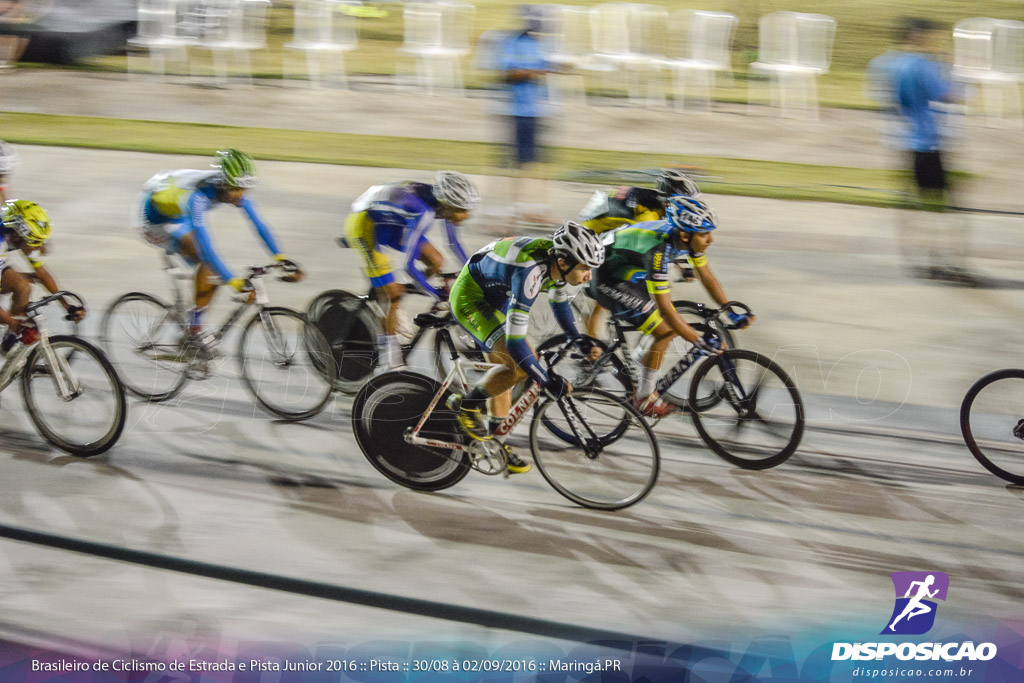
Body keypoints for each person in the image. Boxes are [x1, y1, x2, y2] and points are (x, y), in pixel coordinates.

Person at [447, 221, 605, 474]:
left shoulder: (559, 263)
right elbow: (515, 342)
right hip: (470, 299)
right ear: (564, 262)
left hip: (495, 294)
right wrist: (545, 381)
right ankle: (464, 405)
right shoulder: (530, 272)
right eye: (586, 268)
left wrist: (577, 338)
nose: (589, 276)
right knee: (519, 369)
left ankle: (495, 442)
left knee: (508, 372)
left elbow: (560, 304)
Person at [587, 196, 753, 417]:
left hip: (628, 269)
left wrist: (730, 311)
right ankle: (644, 399)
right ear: (685, 234)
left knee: (667, 325)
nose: (710, 240)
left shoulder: (686, 239)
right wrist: (697, 339)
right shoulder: (658, 250)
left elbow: (707, 277)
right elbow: (666, 309)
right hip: (607, 276)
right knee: (665, 330)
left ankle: (641, 361)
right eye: (705, 234)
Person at [134, 149, 301, 352]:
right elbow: (206, 250)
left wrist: (280, 257)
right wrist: (234, 282)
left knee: (212, 271)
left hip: (175, 213)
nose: (242, 194)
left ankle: (193, 320)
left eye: (245, 188)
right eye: (237, 189)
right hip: (153, 220)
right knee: (209, 266)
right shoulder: (197, 198)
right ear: (223, 183)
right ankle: (194, 330)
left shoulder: (231, 188)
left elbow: (259, 225)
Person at [867, 18, 969, 284]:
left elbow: (879, 96)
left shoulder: (883, 63)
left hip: (899, 141)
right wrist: (951, 70)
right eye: (929, 35)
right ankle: (939, 260)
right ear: (917, 36)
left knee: (912, 201)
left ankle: (916, 258)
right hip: (927, 143)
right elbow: (952, 94)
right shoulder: (923, 66)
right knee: (943, 205)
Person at [342, 171, 479, 369]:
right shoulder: (424, 212)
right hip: (362, 225)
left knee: (437, 261)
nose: (466, 216)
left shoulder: (443, 206)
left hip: (390, 222)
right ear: (447, 204)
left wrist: (474, 271)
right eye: (462, 210)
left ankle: (395, 296)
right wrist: (433, 293)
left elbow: (453, 243)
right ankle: (392, 360)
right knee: (392, 296)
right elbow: (408, 265)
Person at [578, 169, 702, 345]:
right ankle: (590, 348)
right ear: (669, 201)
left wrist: (681, 267)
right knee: (607, 289)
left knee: (641, 284)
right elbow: (648, 247)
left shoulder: (657, 205)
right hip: (593, 233)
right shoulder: (649, 215)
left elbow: (664, 242)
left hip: (607, 223)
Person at [0, 199, 86, 354]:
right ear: (17, 235)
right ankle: (12, 331)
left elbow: (42, 273)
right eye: (34, 242)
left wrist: (65, 304)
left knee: (24, 285)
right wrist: (12, 322)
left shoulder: (18, 234)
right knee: (21, 285)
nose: (38, 247)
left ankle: (10, 339)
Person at [500, 5, 554, 225]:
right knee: (520, 163)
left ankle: (538, 209)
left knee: (541, 162)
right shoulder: (513, 42)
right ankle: (516, 209)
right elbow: (507, 73)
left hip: (540, 110)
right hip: (520, 110)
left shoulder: (541, 43)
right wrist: (534, 71)